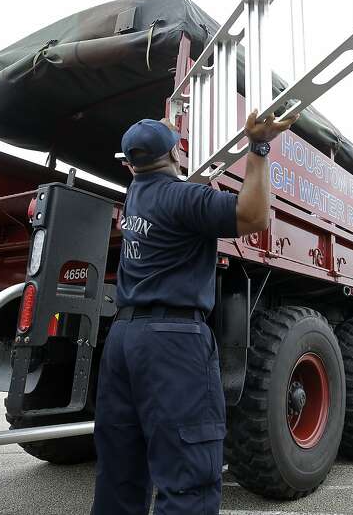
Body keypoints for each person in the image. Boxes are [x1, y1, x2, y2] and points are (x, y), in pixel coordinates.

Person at [92, 109, 297, 515]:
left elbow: (154, 165)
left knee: (120, 473)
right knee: (189, 475)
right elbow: (254, 216)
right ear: (175, 154)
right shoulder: (183, 198)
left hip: (124, 340)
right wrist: (258, 147)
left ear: (130, 163)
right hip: (172, 342)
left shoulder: (137, 195)